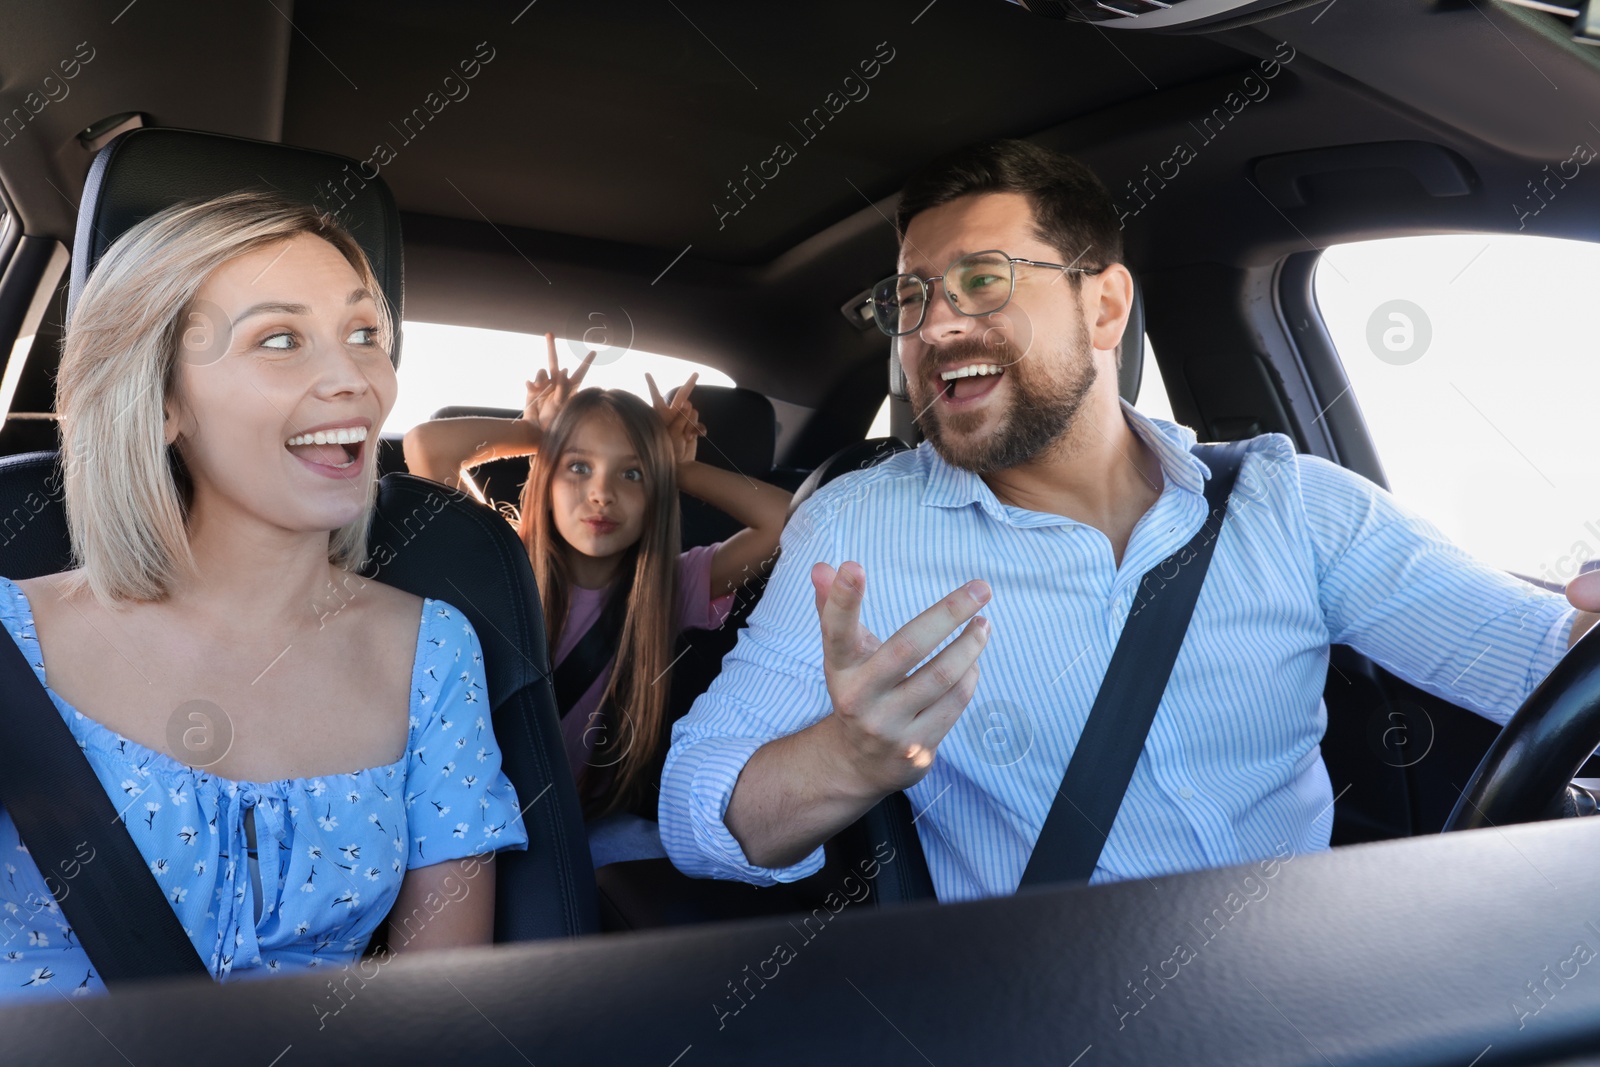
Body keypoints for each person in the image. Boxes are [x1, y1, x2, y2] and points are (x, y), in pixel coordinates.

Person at [658, 138, 1600, 900]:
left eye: (981, 280)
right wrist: (849, 756)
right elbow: (696, 809)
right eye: (908, 296)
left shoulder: (1295, 508)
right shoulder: (856, 531)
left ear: (1104, 306)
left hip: (1321, 1008)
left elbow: (1550, 667)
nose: (932, 326)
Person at [0, 192, 530, 1002]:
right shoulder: (12, 637)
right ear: (164, 399)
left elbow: (441, 1016)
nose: (353, 378)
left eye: (365, 336)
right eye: (280, 339)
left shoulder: (433, 651)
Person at [402, 338, 792, 865]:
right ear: (546, 473)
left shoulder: (667, 586)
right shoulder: (500, 560)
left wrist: (673, 466)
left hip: (573, 826)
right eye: (578, 467)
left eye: (631, 474)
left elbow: (787, 521)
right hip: (463, 819)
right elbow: (428, 447)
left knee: (669, 861)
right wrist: (538, 433)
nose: (602, 493)